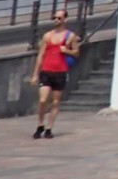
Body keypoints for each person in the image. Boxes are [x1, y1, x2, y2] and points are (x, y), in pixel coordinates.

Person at [29, 8, 80, 139]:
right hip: (46, 70)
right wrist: (35, 73)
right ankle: (40, 124)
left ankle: (49, 128)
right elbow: (41, 55)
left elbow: (77, 53)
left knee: (56, 102)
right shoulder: (47, 36)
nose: (56, 20)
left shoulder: (70, 36)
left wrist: (66, 51)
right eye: (55, 18)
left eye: (59, 18)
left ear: (65, 19)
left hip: (60, 71)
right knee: (43, 100)